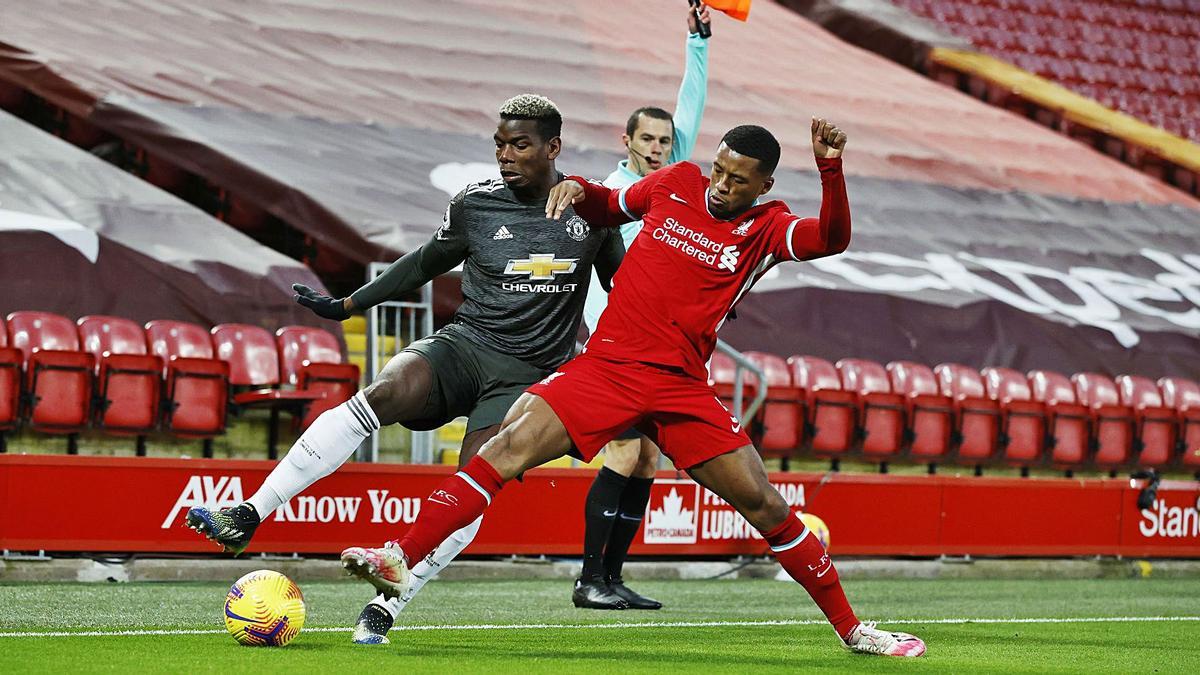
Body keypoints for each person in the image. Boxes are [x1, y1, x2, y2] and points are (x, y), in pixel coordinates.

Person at [339, 118, 927, 657]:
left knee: (765, 505)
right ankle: (399, 558)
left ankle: (854, 631)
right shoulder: (675, 182)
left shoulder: (767, 227)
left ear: (763, 183)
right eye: (718, 170)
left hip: (680, 388)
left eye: (737, 180)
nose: (721, 185)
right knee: (503, 448)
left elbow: (832, 238)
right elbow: (611, 204)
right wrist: (579, 192)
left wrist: (831, 168)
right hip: (609, 367)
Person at [184, 94, 625, 645]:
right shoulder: (475, 204)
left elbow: (624, 293)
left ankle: (385, 607)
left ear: (553, 147)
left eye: (520, 145)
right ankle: (249, 514)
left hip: (529, 375)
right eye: (499, 144)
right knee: (386, 390)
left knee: (474, 481)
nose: (505, 156)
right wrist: (349, 305)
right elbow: (423, 262)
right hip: (466, 345)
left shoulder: (594, 216)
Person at [574, 1, 712, 612]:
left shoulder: (669, 189)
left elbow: (692, 106)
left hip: (658, 349)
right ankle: (587, 580)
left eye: (665, 141)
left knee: (649, 460)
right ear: (624, 142)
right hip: (617, 348)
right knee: (625, 452)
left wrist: (699, 45)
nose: (658, 148)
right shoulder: (616, 198)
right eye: (647, 139)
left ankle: (613, 577)